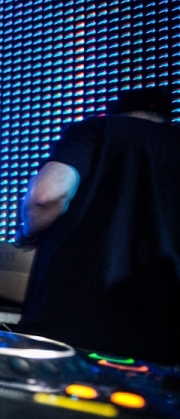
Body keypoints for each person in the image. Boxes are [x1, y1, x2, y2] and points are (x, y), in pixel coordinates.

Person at [15, 86, 180, 365]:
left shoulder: (95, 129)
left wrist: (28, 232)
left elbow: (45, 196)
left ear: (118, 111)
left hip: (73, 317)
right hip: (162, 331)